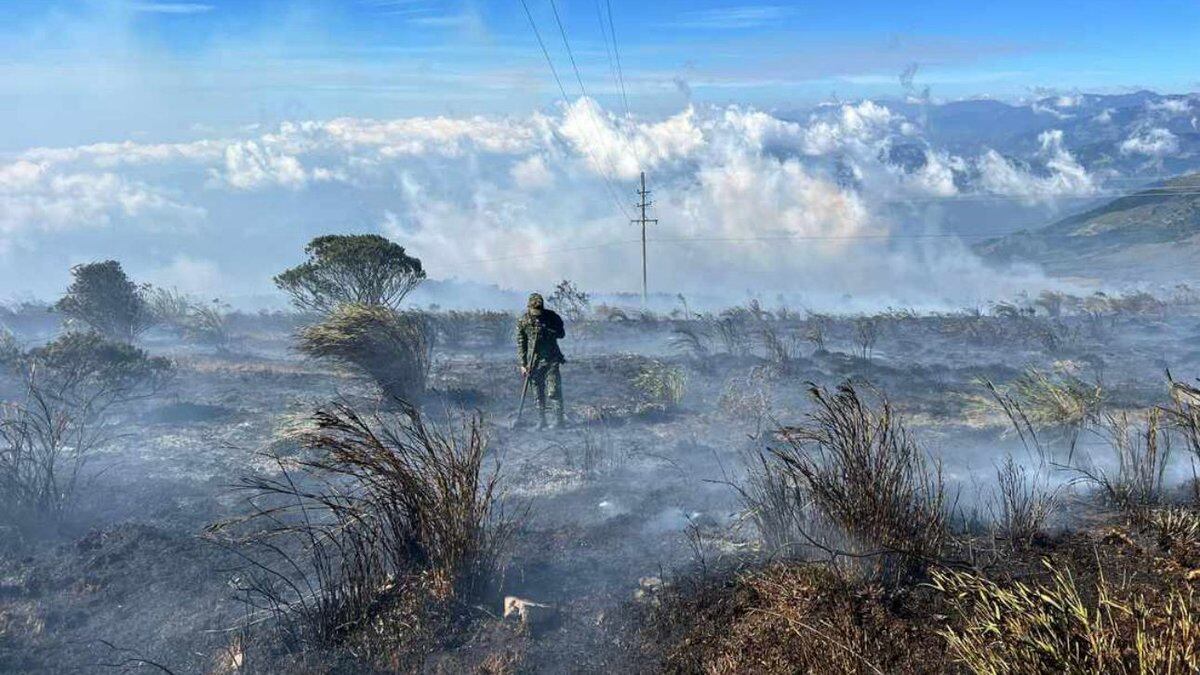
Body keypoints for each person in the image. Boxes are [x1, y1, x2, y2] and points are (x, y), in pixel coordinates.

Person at [516, 292, 566, 429]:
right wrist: (523, 364)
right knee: (537, 391)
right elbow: (521, 343)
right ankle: (541, 420)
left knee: (553, 390)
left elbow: (561, 334)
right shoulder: (524, 320)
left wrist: (548, 331)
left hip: (551, 359)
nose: (536, 314)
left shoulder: (552, 317)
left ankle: (559, 421)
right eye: (534, 311)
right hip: (534, 362)